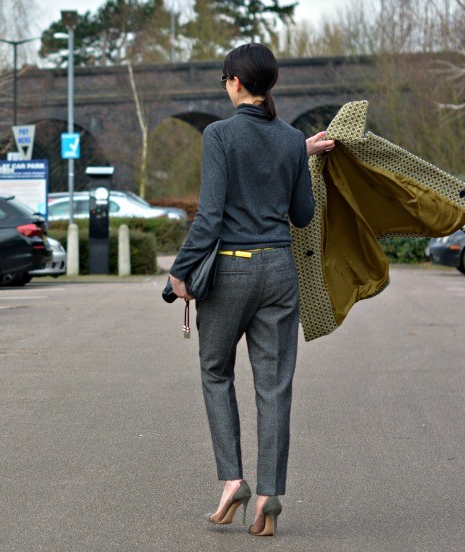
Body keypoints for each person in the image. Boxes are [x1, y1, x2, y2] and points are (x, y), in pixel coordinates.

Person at [168, 43, 327, 537]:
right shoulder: (290, 139)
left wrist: (178, 274)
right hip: (280, 272)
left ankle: (232, 480)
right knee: (274, 385)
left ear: (235, 82)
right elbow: (302, 215)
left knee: (216, 373)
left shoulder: (218, 135)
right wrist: (298, 158)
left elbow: (210, 216)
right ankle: (268, 497)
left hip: (231, 273)